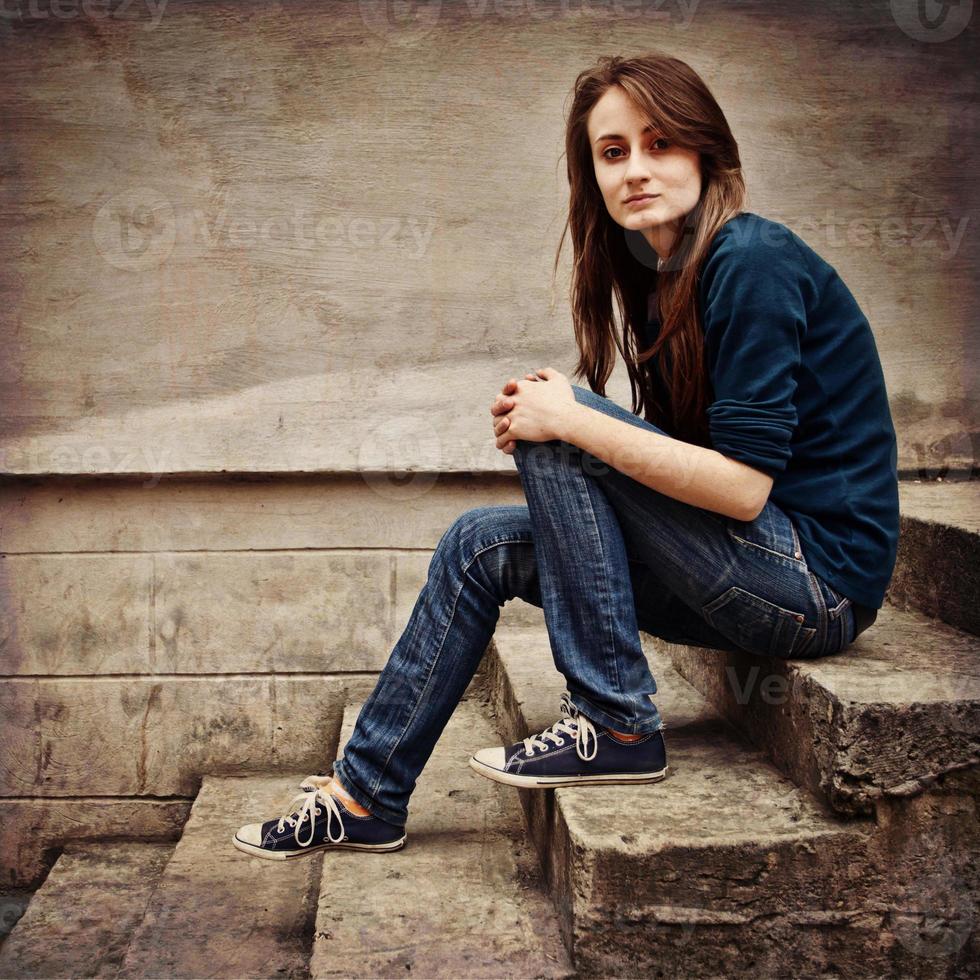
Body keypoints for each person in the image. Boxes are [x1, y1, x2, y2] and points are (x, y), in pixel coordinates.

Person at [233, 51, 899, 860]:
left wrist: (572, 420)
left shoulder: (752, 261)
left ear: (705, 150)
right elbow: (678, 474)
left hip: (815, 582)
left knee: (561, 413)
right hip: (752, 568)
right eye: (613, 153)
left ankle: (615, 719)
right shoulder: (660, 281)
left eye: (661, 144)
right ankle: (365, 796)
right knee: (480, 544)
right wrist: (570, 422)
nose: (637, 170)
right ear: (594, 173)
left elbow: (744, 492)